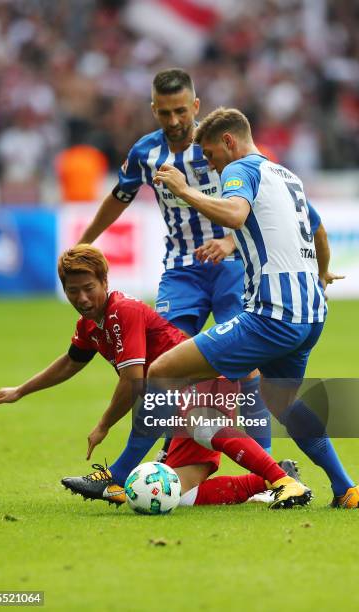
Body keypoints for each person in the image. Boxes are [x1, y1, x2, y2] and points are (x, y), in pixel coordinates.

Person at [90, 107, 359, 509]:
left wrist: (185, 191)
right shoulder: (286, 175)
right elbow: (319, 229)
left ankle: (115, 478)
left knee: (163, 370)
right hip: (310, 315)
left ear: (229, 142)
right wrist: (321, 274)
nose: (209, 164)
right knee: (283, 402)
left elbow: (235, 214)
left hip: (272, 315)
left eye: (210, 154)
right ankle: (346, 489)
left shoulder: (241, 170)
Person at [0, 244, 308, 509]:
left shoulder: (121, 312)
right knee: (178, 497)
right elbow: (70, 363)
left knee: (195, 419)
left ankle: (282, 481)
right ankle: (269, 477)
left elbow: (132, 380)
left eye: (88, 289)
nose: (82, 299)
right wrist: (21, 390)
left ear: (104, 282)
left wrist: (104, 424)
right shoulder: (89, 325)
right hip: (176, 395)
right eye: (73, 292)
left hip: (207, 380)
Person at [78, 68, 272, 454]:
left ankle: (272, 469)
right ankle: (161, 458)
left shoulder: (222, 144)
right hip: (181, 270)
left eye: (181, 111)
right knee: (164, 365)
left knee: (246, 364)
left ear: (196, 106)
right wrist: (83, 242)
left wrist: (232, 242)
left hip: (234, 268)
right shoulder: (144, 153)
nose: (174, 121)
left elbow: (264, 201)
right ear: (154, 109)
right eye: (165, 112)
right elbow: (121, 196)